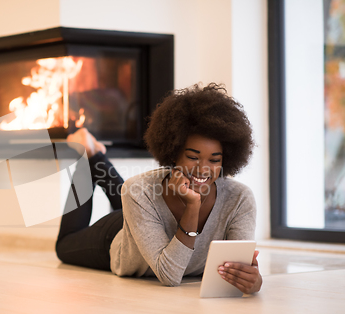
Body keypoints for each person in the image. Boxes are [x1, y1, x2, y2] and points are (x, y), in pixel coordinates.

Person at [55, 83, 262, 293]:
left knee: (135, 193)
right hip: (117, 236)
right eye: (192, 157)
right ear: (173, 153)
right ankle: (87, 158)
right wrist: (193, 207)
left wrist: (253, 281)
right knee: (64, 247)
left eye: (215, 160)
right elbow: (170, 276)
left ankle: (96, 157)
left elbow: (239, 269)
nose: (203, 169)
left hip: (144, 210)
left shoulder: (239, 198)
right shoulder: (140, 191)